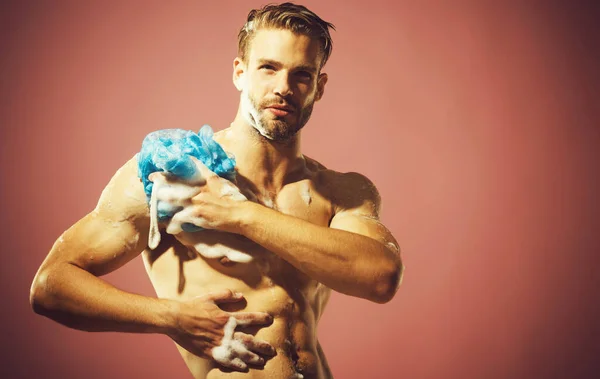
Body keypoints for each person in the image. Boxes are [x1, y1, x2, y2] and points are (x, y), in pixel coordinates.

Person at [30, 3, 404, 378]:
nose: (283, 88)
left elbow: (380, 277)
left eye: (302, 75)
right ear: (240, 72)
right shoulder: (175, 176)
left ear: (319, 87)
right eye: (268, 68)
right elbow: (52, 285)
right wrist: (170, 318)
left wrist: (241, 215)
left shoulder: (340, 192)